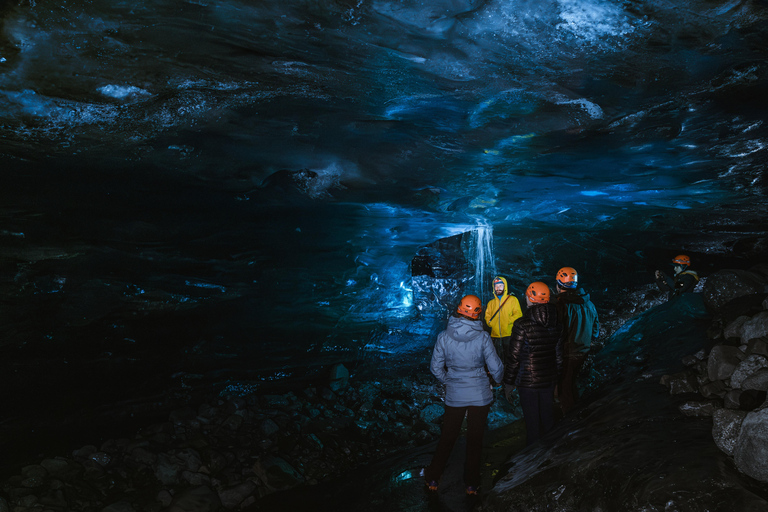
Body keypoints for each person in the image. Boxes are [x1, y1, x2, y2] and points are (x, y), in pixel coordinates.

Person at [424, 294, 504, 496]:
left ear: (459, 309)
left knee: (448, 436)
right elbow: (496, 367)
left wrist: (449, 380)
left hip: (455, 395)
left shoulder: (444, 336)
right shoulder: (483, 337)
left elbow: (435, 368)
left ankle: (433, 477)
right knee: (475, 439)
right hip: (480, 394)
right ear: (478, 313)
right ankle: (471, 484)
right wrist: (498, 380)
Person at [503, 282, 563, 445]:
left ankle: (533, 456)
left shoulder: (521, 325)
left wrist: (508, 382)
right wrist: (556, 380)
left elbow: (514, 357)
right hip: (548, 380)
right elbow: (558, 357)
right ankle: (551, 452)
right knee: (548, 419)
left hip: (527, 381)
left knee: (532, 423)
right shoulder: (557, 324)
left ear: (530, 298)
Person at [553, 267, 600, 415]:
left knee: (564, 389)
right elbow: (596, 331)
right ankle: (577, 412)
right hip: (583, 351)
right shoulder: (589, 303)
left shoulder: (562, 306)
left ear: (559, 284)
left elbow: (556, 332)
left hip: (568, 353)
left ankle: (571, 420)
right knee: (572, 383)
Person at [484, 276, 522, 362]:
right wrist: (491, 323)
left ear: (505, 286)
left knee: (511, 357)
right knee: (497, 358)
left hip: (509, 334)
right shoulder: (491, 303)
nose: (498, 288)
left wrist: (508, 321)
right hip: (495, 336)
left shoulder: (513, 300)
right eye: (496, 286)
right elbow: (487, 315)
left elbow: (518, 314)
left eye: (501, 285)